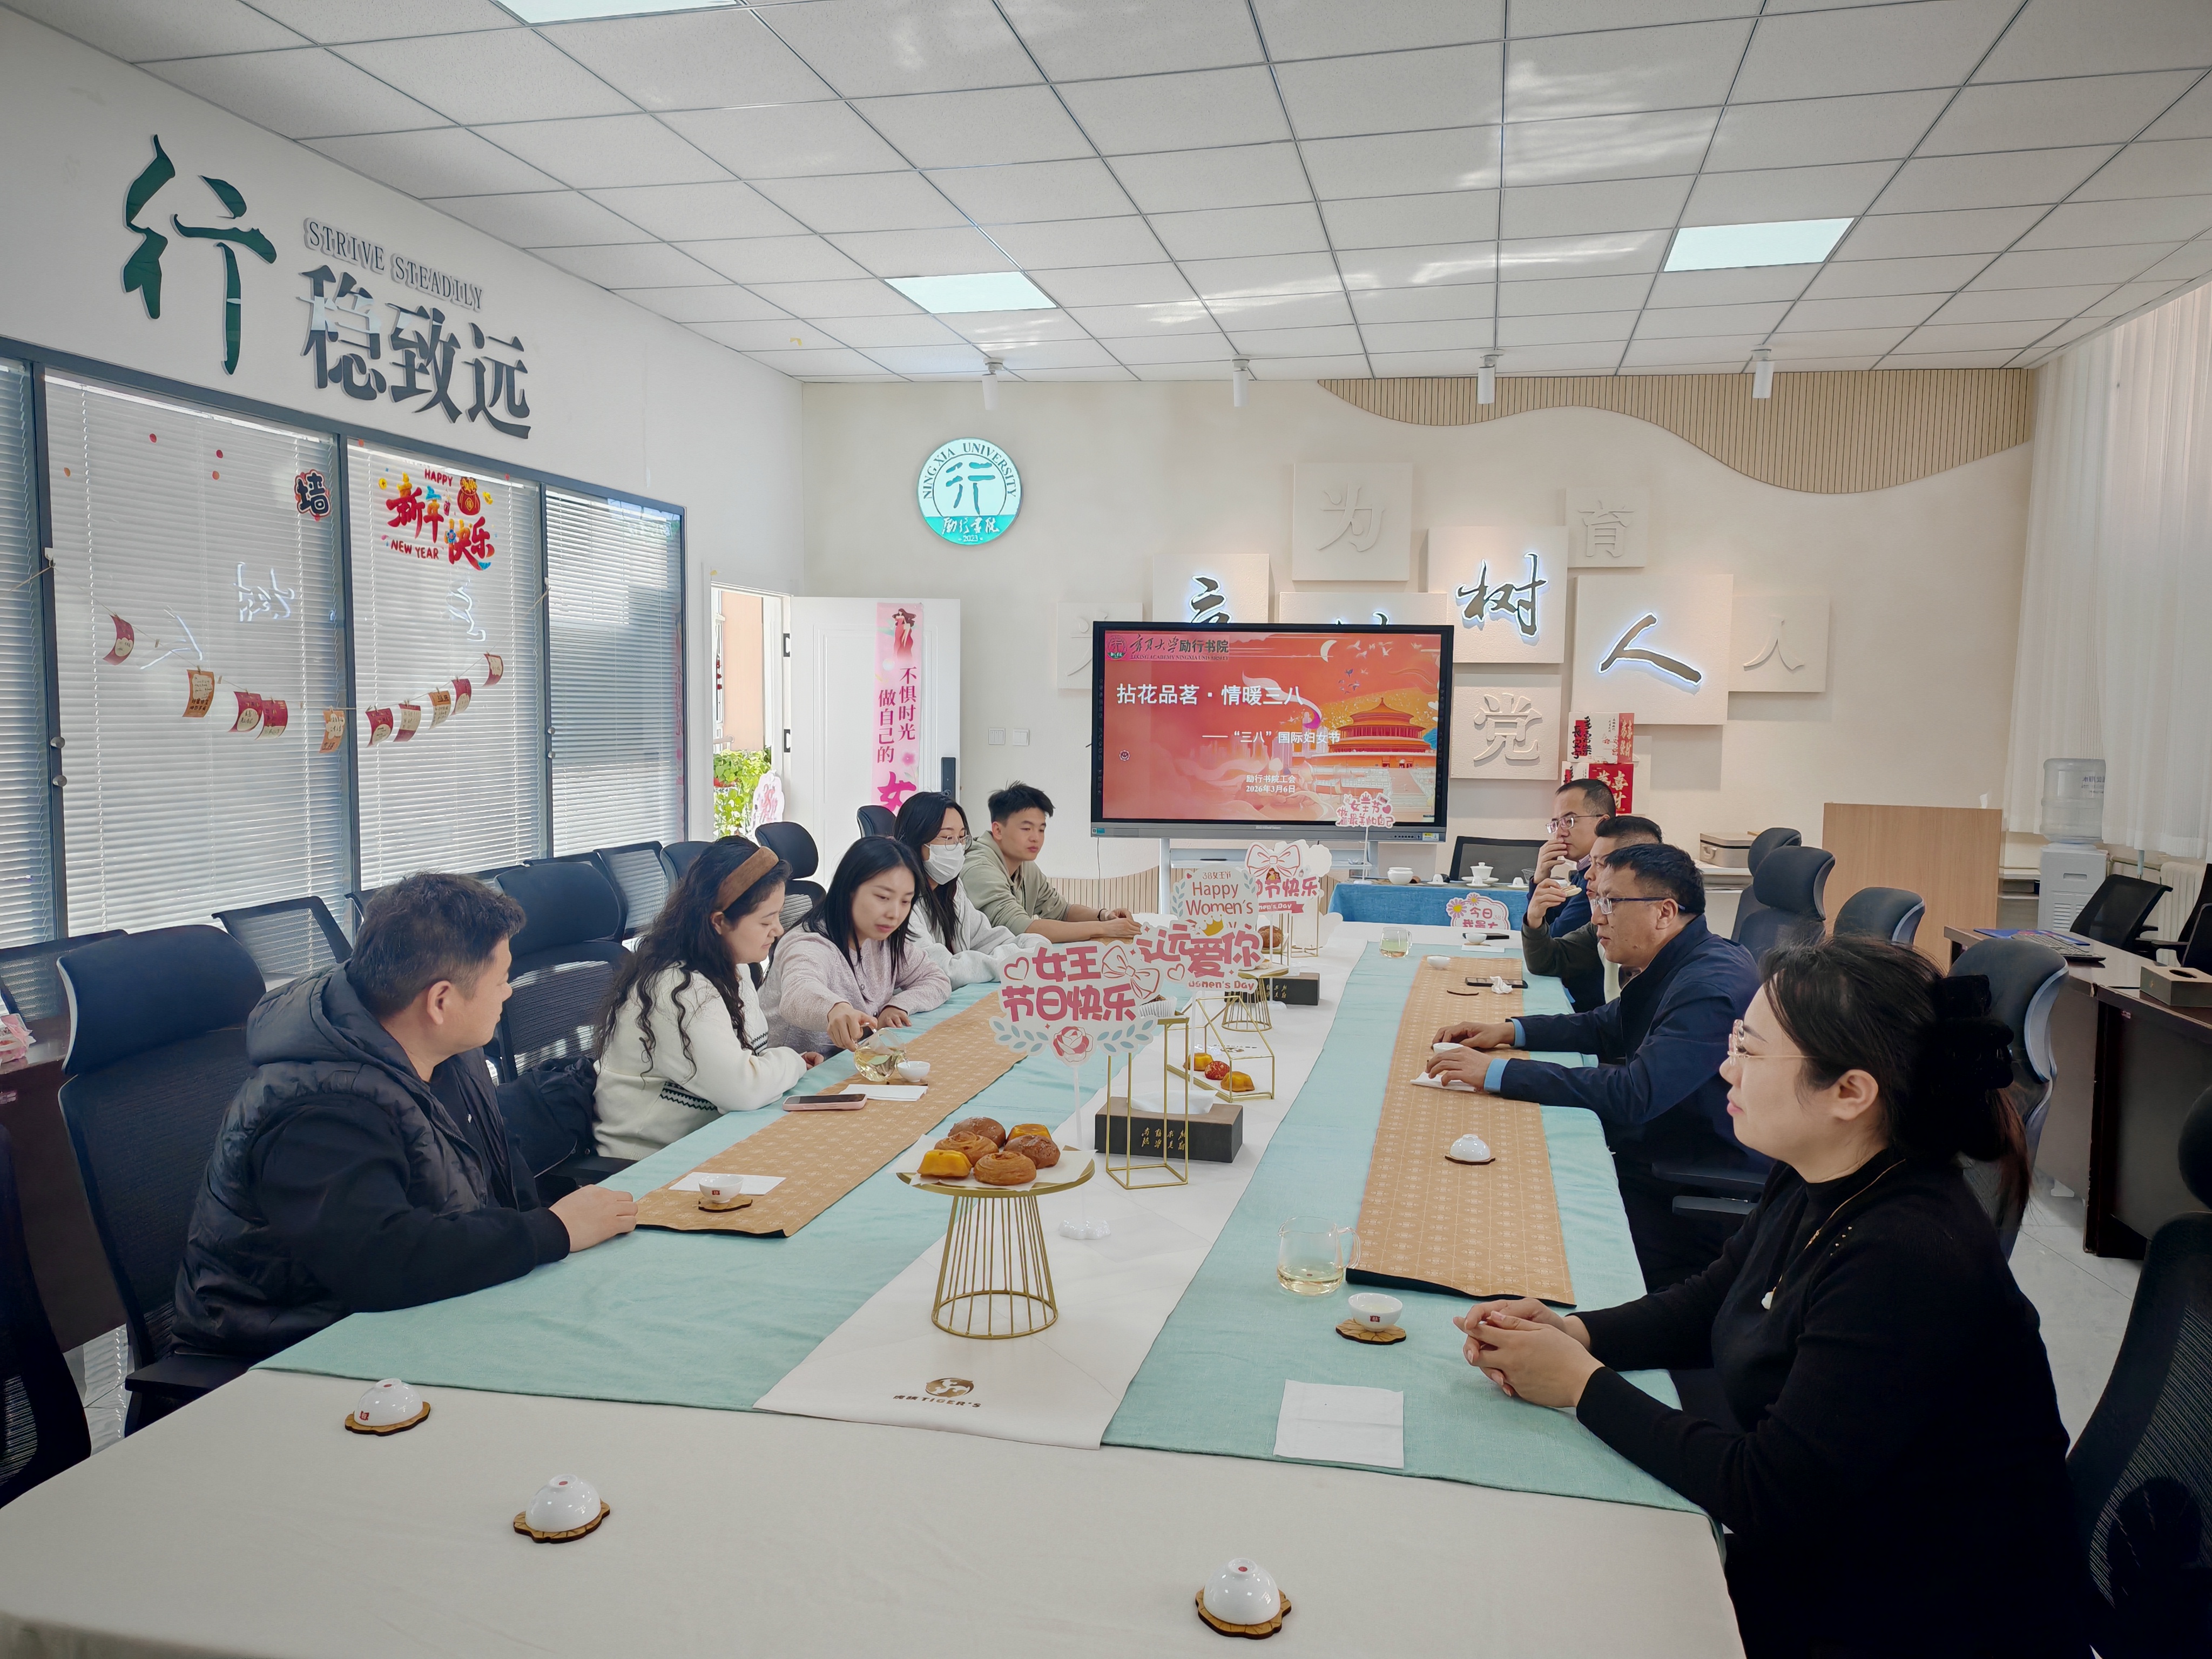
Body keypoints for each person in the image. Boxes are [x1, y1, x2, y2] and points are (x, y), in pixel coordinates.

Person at [1456, 938, 2087, 1659]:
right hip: (1843, 1554)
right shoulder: (1820, 1171)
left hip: (1920, 1614)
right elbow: (1714, 1298)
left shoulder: (1906, 1256)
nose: (1727, 1068)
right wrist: (1577, 1334)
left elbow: (1767, 1494)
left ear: (1850, 1093)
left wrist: (1581, 1386)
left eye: (1750, 1052)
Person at [172, 873, 636, 1360]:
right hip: (296, 1355)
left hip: (429, 1316)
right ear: (441, 1001)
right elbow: (381, 1261)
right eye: (501, 980)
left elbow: (503, 1172)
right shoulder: (318, 1111)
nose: (509, 994)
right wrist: (552, 1231)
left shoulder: (445, 1051)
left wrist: (556, 1233)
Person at [1428, 841, 1763, 1285]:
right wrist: (1509, 1031)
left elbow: (1635, 1095)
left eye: (1611, 903)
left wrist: (1498, 1073)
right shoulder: (1685, 959)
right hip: (1660, 1149)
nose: (1597, 918)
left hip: (1688, 1185)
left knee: (1508, 1211)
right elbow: (1607, 1025)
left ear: (1664, 912)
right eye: (1597, 901)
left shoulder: (1709, 986)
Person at [591, 837, 822, 1161]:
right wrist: (792, 1061)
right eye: (766, 920)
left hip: (713, 1142)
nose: (778, 930)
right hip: (649, 1163)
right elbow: (742, 1089)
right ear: (719, 922)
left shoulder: (734, 968)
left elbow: (747, 1065)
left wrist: (780, 1067)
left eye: (778, 916)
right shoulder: (679, 989)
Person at [761, 835, 951, 1054]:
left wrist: (897, 1005)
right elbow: (797, 992)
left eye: (905, 901)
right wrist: (834, 1008)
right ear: (849, 889)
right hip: (795, 1069)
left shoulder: (881, 940)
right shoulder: (809, 944)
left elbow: (936, 979)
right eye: (883, 897)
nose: (895, 914)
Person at [961, 781, 1139, 942]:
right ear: (998, 830)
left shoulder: (1025, 866)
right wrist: (1104, 929)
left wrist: (1104, 916)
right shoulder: (979, 868)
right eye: (1026, 829)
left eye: (1041, 830)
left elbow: (1061, 911)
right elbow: (1023, 928)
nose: (1036, 838)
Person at [894, 791, 1034, 986]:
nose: (958, 848)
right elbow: (939, 970)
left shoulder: (951, 889)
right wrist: (1011, 961)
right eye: (947, 837)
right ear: (916, 841)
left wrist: (1027, 945)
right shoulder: (899, 900)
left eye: (961, 838)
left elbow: (985, 938)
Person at [1520, 813, 1662, 999]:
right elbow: (1548, 960)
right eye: (1591, 862)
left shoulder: (1676, 952)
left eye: (1601, 864)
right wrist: (1534, 919)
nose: (1588, 874)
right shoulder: (1602, 920)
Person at [1529, 776, 1617, 1011]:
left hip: (1593, 1007)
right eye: (1556, 823)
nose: (1560, 832)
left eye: (1569, 821)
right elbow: (1548, 926)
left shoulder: (1604, 880)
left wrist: (1536, 917)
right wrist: (1540, 878)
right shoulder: (1582, 872)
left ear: (1603, 823)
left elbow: (1555, 940)